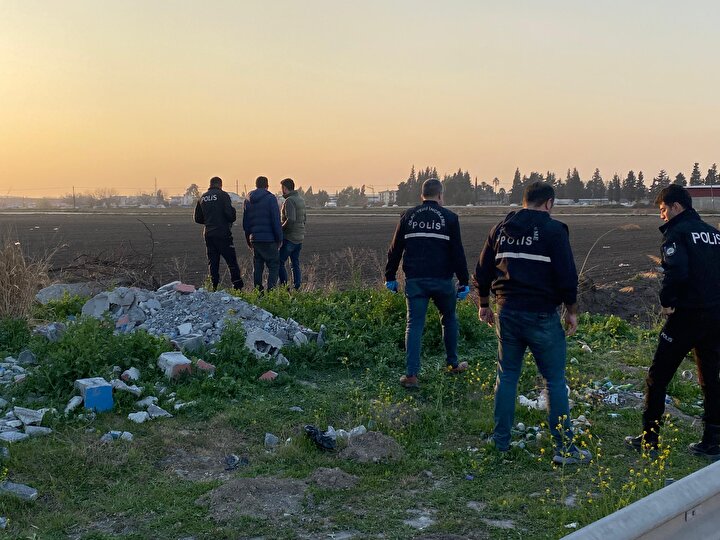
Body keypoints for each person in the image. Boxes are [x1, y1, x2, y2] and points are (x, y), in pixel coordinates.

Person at [475, 181, 589, 465]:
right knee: (554, 381)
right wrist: (571, 311)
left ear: (524, 200)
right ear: (549, 203)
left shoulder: (500, 229)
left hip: (507, 312)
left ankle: (500, 441)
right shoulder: (554, 230)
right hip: (541, 315)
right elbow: (567, 275)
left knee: (507, 376)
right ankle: (564, 449)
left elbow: (482, 270)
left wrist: (484, 304)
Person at [625, 185, 720, 461]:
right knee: (710, 378)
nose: (662, 216)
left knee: (658, 377)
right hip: (715, 316)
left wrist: (667, 301)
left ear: (676, 206)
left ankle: (649, 439)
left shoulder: (677, 234)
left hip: (686, 318)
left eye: (663, 209)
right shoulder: (714, 234)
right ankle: (713, 441)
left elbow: (676, 271)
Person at [384, 178, 471, 389]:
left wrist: (390, 276)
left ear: (421, 195)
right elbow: (457, 252)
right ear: (440, 195)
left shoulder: (408, 216)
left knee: (414, 325)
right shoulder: (450, 218)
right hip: (443, 280)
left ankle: (411, 375)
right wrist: (464, 281)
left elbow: (395, 249)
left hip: (415, 280)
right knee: (449, 319)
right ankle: (452, 364)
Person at [193, 176, 244, 291]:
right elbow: (230, 215)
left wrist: (209, 221)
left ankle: (214, 286)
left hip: (208, 234)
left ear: (210, 184)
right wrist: (232, 213)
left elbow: (197, 218)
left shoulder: (203, 197)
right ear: (220, 184)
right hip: (223, 233)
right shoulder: (223, 196)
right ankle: (237, 286)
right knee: (231, 261)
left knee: (213, 262)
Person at [242, 176, 282, 291]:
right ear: (267, 186)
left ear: (256, 185)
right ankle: (271, 291)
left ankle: (258, 292)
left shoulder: (248, 199)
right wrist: (279, 238)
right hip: (269, 239)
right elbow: (276, 220)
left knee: (258, 266)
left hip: (255, 239)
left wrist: (248, 239)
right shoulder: (271, 198)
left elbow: (246, 223)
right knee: (274, 265)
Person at [278, 178, 306, 290]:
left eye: (282, 188)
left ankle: (285, 288)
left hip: (290, 238)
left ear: (285, 188)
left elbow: (291, 219)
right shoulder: (300, 199)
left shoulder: (289, 201)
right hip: (299, 237)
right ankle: (297, 287)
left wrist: (281, 229)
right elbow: (304, 218)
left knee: (279, 262)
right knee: (295, 263)